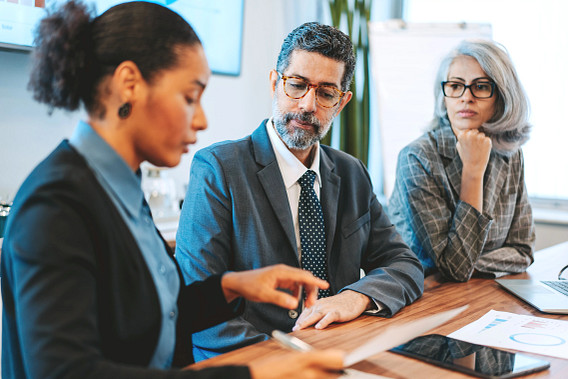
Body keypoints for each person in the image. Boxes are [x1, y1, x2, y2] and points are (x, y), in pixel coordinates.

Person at [0, 2, 346, 378]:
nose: (201, 120)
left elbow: (145, 312)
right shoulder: (56, 205)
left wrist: (231, 286)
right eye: (189, 97)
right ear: (129, 84)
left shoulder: (118, 187)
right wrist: (257, 374)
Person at [175, 21, 424, 361]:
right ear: (275, 83)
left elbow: (404, 264)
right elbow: (198, 304)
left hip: (339, 354)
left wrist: (355, 297)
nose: (308, 105)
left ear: (342, 102)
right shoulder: (218, 168)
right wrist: (290, 359)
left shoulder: (351, 173)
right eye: (297, 85)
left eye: (325, 93)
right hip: (250, 362)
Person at [388, 39, 535, 282]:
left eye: (481, 86)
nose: (466, 97)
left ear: (501, 96)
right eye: (455, 86)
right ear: (443, 95)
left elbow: (523, 250)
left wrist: (471, 266)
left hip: (482, 291)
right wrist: (473, 172)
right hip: (424, 298)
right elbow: (455, 268)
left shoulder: (511, 152)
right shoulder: (417, 158)